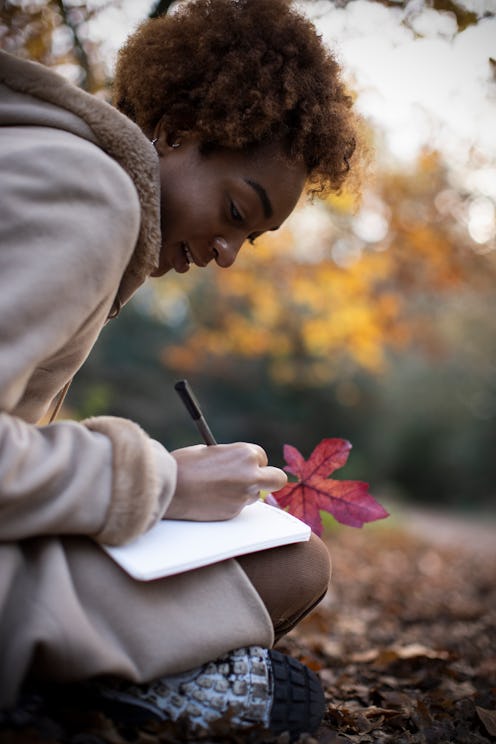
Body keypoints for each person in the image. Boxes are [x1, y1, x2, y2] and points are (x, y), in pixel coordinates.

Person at [0, 0, 361, 738]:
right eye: (234, 210)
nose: (226, 255)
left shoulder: (51, 167)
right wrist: (163, 484)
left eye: (249, 241)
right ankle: (108, 682)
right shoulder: (92, 195)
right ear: (177, 131)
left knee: (291, 562)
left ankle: (104, 679)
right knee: (292, 567)